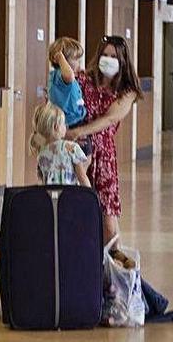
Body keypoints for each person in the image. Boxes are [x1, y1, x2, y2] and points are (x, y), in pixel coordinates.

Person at [66, 35, 143, 270]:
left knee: (109, 224)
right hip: (77, 154)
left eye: (113, 57)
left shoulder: (127, 91)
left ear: (122, 61)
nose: (108, 60)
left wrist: (79, 131)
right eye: (105, 55)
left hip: (104, 156)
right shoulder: (83, 80)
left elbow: (111, 118)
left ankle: (116, 275)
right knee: (77, 213)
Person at [29, 102, 91, 188]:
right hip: (70, 197)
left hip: (52, 199)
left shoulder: (42, 153)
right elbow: (82, 177)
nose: (66, 126)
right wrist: (90, 196)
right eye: (64, 123)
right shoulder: (72, 148)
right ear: (56, 127)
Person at [47, 37, 91, 155]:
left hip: (72, 120)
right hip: (73, 122)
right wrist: (61, 58)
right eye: (76, 59)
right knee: (84, 156)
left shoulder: (56, 77)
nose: (79, 63)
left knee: (84, 156)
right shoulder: (63, 77)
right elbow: (69, 76)